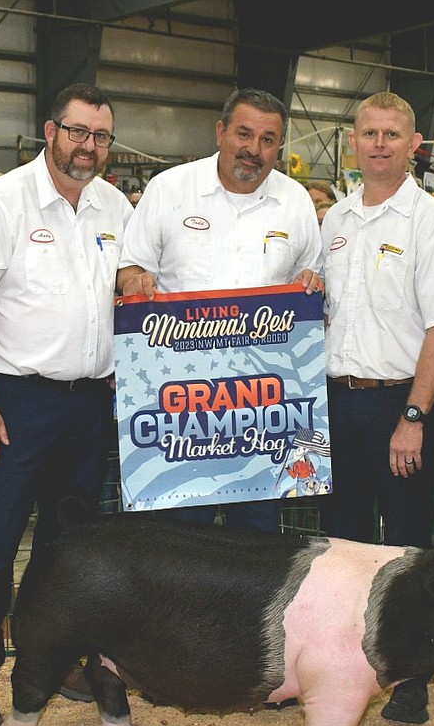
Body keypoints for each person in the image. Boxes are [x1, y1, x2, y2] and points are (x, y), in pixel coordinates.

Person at [0, 83, 133, 726]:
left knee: (67, 549)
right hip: (16, 400)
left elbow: (126, 290)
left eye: (101, 136)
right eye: (78, 132)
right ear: (49, 131)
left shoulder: (114, 206)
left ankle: (52, 661)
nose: (89, 146)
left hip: (90, 403)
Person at [318, 91, 434, 724]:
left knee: (408, 547)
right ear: (353, 141)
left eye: (392, 134)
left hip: (402, 407)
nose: (379, 143)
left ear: (414, 145)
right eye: (368, 132)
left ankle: (410, 676)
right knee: (345, 544)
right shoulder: (335, 221)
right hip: (336, 401)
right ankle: (347, 666)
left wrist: (415, 416)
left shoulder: (432, 222)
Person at [116, 87, 323, 533]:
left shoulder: (296, 202)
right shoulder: (169, 189)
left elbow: (313, 279)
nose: (254, 150)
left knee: (258, 543)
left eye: (268, 140)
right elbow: (129, 267)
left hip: (263, 411)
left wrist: (312, 285)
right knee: (180, 540)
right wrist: (134, 281)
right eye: (244, 134)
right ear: (220, 132)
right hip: (179, 406)